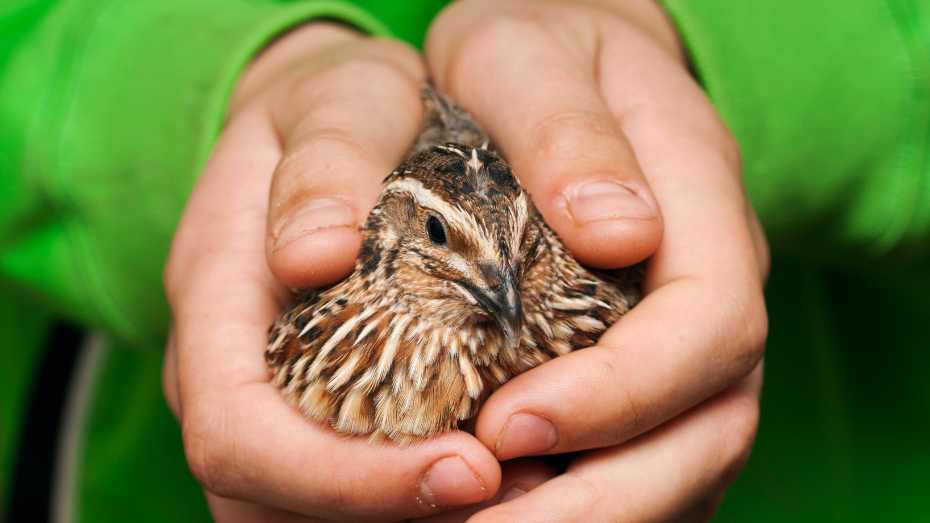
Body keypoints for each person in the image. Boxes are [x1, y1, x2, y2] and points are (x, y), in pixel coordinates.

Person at [1, 0, 926, 522]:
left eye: (516, 250)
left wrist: (706, 51)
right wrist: (209, 83)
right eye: (444, 243)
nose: (498, 284)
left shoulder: (575, 300)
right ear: (397, 235)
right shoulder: (327, 309)